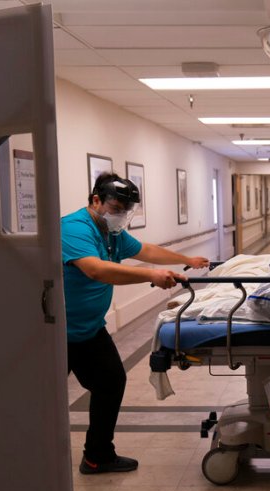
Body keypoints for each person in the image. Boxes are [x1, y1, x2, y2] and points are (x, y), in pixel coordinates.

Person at [62, 172, 209, 474]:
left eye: (127, 211)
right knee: (39, 399)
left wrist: (186, 259)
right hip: (52, 333)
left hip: (87, 329)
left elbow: (146, 250)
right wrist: (150, 275)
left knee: (111, 381)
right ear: (95, 200)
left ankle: (97, 456)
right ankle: (19, 459)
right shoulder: (74, 228)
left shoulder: (111, 232)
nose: (122, 216)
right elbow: (95, 270)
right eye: (117, 208)